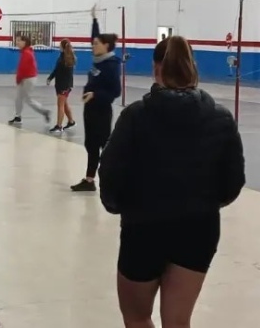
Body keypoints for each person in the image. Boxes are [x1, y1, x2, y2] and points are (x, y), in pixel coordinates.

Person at [98, 36, 245, 328]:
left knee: (137, 317)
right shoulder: (221, 118)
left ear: (156, 69)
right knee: (178, 321)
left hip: (144, 228)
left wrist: (119, 206)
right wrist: (205, 204)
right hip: (199, 229)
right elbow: (233, 182)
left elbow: (111, 172)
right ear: (193, 68)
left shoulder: (135, 117)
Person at [71, 7, 122, 192]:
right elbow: (96, 36)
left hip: (101, 111)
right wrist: (94, 20)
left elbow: (115, 91)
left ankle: (113, 180)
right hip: (90, 110)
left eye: (96, 44)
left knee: (103, 147)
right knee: (91, 145)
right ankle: (90, 180)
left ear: (106, 46)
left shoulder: (111, 66)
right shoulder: (99, 59)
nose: (93, 45)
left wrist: (95, 95)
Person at [7, 34, 50, 125]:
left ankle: (44, 111)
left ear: (24, 42)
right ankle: (18, 116)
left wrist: (18, 78)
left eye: (19, 40)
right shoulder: (25, 51)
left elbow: (23, 68)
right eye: (17, 40)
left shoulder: (26, 53)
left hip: (28, 79)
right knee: (18, 98)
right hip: (26, 78)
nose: (17, 42)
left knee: (28, 99)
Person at [45, 39, 76, 133]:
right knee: (64, 103)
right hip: (64, 84)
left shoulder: (64, 59)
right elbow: (57, 71)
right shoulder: (68, 57)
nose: (59, 47)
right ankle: (71, 121)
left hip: (63, 85)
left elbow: (57, 71)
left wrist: (50, 78)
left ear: (63, 47)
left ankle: (59, 126)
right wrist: (50, 78)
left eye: (60, 45)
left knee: (60, 105)